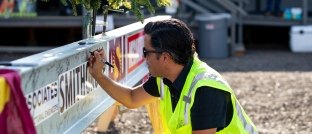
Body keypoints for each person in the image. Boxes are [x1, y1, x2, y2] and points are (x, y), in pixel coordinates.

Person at [88, 18, 258, 134]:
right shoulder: (166, 76)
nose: (143, 58)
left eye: (145, 52)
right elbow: (132, 98)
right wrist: (98, 75)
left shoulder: (206, 90)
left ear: (165, 57)